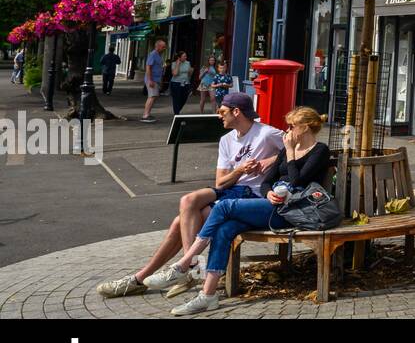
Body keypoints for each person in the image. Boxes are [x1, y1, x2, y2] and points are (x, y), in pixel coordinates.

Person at [94, 92, 283, 299]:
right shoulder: (226, 140)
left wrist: (268, 161)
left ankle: (140, 279)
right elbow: (220, 182)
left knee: (178, 223)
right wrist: (239, 170)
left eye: (222, 111)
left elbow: (300, 148)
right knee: (187, 200)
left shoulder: (265, 133)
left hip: (252, 196)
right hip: (231, 189)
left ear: (236, 112)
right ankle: (190, 267)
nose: (219, 115)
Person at [168, 106, 331, 315]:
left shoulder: (319, 150)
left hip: (294, 212)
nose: (288, 131)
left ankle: (185, 262)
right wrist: (269, 192)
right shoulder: (285, 150)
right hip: (273, 204)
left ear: (306, 128)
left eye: (292, 126)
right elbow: (267, 181)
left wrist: (290, 152)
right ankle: (207, 296)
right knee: (225, 228)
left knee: (225, 206)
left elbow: (298, 180)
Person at [141, 39, 166, 123]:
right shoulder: (153, 54)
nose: (164, 48)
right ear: (158, 46)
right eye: (163, 47)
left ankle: (147, 113)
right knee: (151, 96)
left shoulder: (159, 55)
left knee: (154, 97)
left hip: (157, 79)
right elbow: (148, 67)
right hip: (152, 79)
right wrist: (150, 80)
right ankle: (145, 115)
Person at [169, 50, 193, 116]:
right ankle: (176, 113)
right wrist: (178, 64)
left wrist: (191, 71)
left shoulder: (188, 63)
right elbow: (175, 73)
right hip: (176, 83)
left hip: (186, 83)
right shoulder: (174, 63)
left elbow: (190, 74)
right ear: (179, 57)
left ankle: (177, 110)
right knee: (176, 99)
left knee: (184, 98)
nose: (186, 57)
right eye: (184, 56)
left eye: (186, 56)